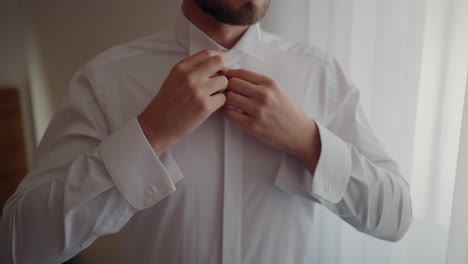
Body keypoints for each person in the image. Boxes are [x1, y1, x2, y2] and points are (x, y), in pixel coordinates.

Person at [0, 0, 412, 263]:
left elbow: (395, 217)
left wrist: (308, 141)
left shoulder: (320, 73)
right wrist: (150, 134)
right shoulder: (106, 78)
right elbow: (18, 246)